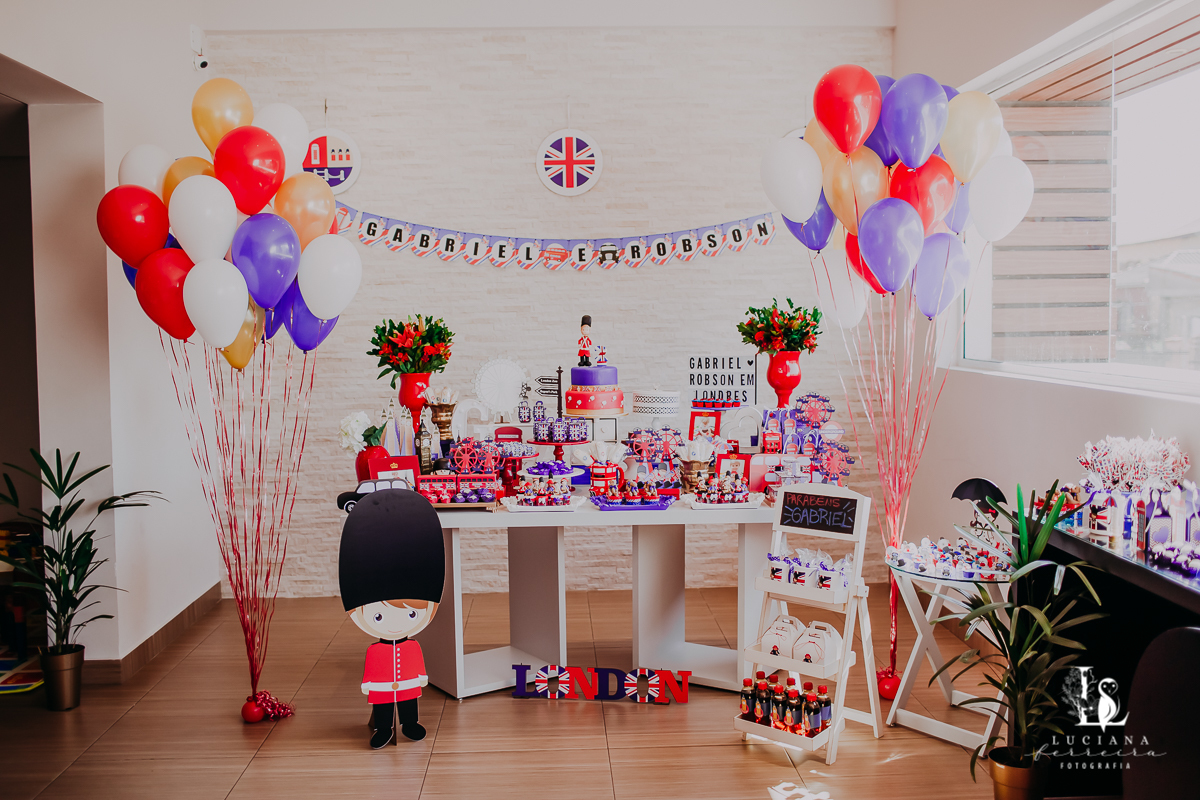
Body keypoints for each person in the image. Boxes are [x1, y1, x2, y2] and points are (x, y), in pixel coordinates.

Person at [339, 489, 445, 749]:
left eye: (411, 613)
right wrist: (367, 684)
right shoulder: (375, 650)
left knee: (409, 701)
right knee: (383, 703)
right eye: (378, 615)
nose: (397, 623)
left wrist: (421, 678)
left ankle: (409, 724)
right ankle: (384, 729)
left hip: (409, 684)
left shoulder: (413, 646)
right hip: (382, 686)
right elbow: (370, 671)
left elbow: (418, 666)